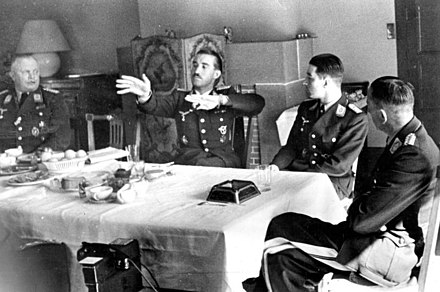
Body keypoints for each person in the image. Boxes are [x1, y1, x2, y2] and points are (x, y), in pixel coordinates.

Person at [245, 77, 439, 292]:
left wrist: (357, 206)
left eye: (370, 108)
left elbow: (362, 222)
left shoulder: (413, 154)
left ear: (382, 116)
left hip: (385, 252)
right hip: (378, 239)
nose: (367, 113)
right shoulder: (411, 139)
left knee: (278, 246)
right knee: (283, 238)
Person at [116, 48, 265, 167]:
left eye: (204, 66)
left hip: (223, 165)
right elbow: (155, 105)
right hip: (190, 164)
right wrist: (145, 96)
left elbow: (257, 103)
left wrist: (222, 100)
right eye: (195, 65)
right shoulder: (180, 98)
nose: (197, 71)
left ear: (216, 74)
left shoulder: (226, 97)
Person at [271, 54, 368, 199]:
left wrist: (298, 179)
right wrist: (274, 167)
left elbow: (338, 165)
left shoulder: (355, 118)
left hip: (330, 181)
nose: (305, 82)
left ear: (326, 82)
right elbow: (292, 146)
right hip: (299, 175)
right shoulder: (306, 108)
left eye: (310, 78)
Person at [0, 55, 70, 153]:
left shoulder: (52, 99)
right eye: (26, 72)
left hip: (40, 161)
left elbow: (62, 137)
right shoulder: (2, 99)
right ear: (13, 75)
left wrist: (39, 155)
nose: (32, 77)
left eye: (35, 72)